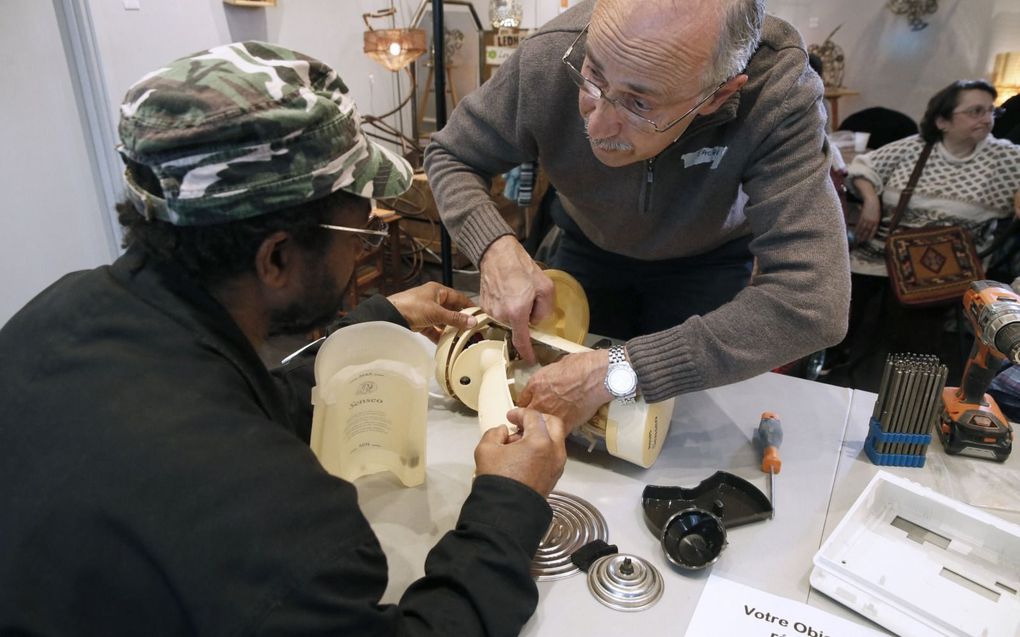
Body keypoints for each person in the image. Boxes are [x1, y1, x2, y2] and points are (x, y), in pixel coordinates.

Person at [0, 42, 568, 635]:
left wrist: (375, 321)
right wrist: (508, 503)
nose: (362, 247)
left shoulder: (60, 313)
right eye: (359, 231)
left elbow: (231, 403)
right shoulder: (276, 519)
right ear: (276, 257)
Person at [424, 0, 850, 428]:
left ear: (718, 94)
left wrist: (619, 373)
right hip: (587, 248)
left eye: (639, 105)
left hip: (707, 266)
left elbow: (813, 303)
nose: (597, 127)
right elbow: (450, 154)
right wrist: (495, 249)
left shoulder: (779, 91)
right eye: (592, 76)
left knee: (676, 424)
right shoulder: (549, 54)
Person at [830, 80, 1020, 390]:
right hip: (882, 252)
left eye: (991, 111)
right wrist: (871, 199)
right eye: (975, 111)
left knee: (912, 336)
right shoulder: (914, 148)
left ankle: (900, 390)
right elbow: (864, 167)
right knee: (839, 302)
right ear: (942, 121)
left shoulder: (1004, 158)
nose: (986, 119)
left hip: (943, 270)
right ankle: (836, 365)